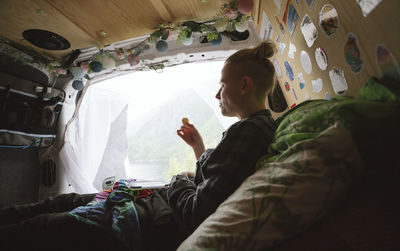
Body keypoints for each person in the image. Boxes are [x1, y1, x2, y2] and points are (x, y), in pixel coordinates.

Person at [0, 40, 278, 251]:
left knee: (44, 226)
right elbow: (215, 180)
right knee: (64, 201)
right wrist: (198, 148)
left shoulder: (250, 132)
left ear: (244, 86)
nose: (217, 94)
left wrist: (179, 179)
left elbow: (197, 212)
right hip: (159, 204)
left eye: (222, 85)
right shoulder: (250, 129)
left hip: (159, 219)